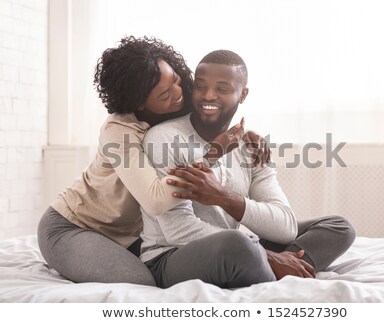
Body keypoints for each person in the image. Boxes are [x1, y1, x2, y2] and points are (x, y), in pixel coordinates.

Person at [37, 37, 269, 286]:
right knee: (139, 283)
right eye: (166, 93)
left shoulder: (176, 103)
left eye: (177, 81)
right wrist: (213, 154)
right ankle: (68, 258)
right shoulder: (119, 131)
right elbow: (156, 200)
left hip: (129, 236)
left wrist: (246, 136)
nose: (180, 93)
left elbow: (214, 115)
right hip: (76, 226)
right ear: (140, 102)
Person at [140, 49, 356, 288]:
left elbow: (285, 228)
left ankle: (278, 268)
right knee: (240, 247)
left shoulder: (250, 146)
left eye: (222, 89)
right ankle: (274, 267)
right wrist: (268, 255)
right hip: (170, 256)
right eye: (201, 87)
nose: (208, 96)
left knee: (339, 227)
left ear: (242, 94)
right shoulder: (163, 138)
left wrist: (223, 197)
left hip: (234, 248)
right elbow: (177, 230)